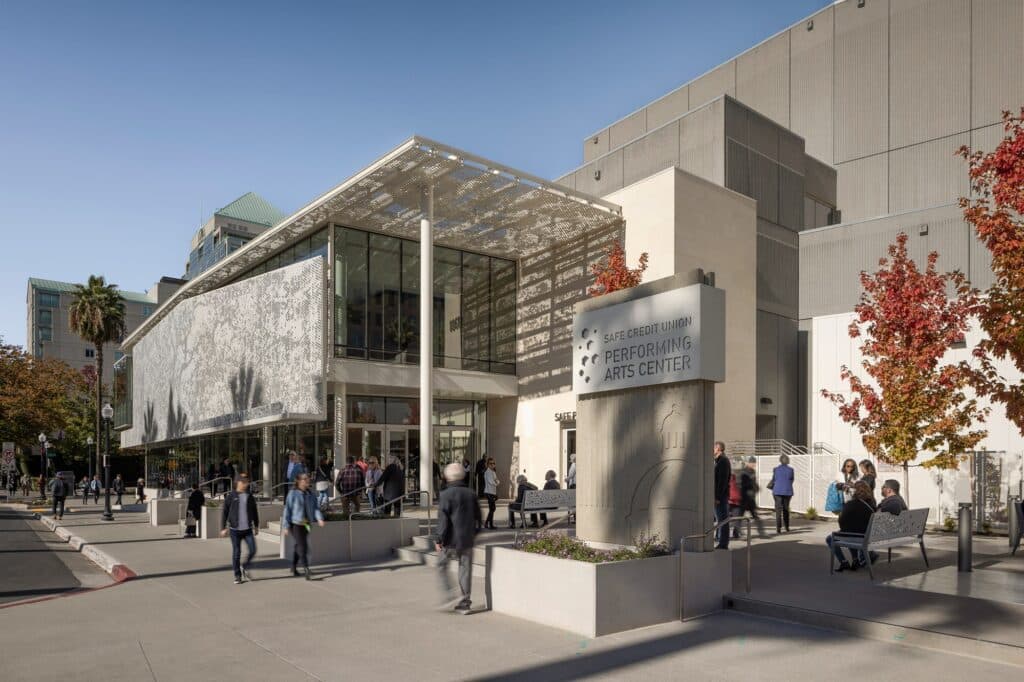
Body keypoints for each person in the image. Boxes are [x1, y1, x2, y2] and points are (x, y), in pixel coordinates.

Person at [435, 461, 481, 614]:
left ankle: (450, 594)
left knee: (442, 565)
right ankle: (465, 603)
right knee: (465, 569)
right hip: (467, 539)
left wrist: (439, 539)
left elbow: (443, 520)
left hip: (450, 540)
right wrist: (474, 534)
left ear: (448, 477)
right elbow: (479, 518)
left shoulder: (445, 494)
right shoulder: (471, 493)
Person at [282, 472, 326, 579]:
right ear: (299, 481)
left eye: (308, 479)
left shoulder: (310, 494)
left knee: (299, 545)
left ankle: (293, 566)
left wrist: (319, 518)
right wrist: (285, 525)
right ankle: (306, 568)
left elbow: (315, 508)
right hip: (295, 524)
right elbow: (287, 509)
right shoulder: (293, 494)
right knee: (303, 546)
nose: (308, 480)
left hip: (306, 524)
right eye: (305, 479)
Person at [826, 480, 877, 572]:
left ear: (855, 491)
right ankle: (855, 560)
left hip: (857, 536)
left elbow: (841, 522)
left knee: (830, 538)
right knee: (850, 531)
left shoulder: (850, 504)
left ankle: (844, 562)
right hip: (867, 534)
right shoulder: (872, 503)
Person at [220, 473, 260, 584]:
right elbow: (225, 512)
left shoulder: (249, 496)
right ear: (238, 483)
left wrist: (256, 526)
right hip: (234, 530)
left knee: (253, 550)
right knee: (237, 553)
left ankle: (245, 566)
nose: (246, 484)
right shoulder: (231, 496)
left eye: (247, 482)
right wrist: (223, 527)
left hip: (247, 529)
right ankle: (237, 576)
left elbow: (254, 511)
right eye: (244, 482)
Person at [735, 457, 766, 537]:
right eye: (752, 463)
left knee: (755, 516)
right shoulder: (743, 472)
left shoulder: (753, 471)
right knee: (740, 516)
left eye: (754, 463)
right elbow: (739, 484)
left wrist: (756, 487)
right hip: (744, 497)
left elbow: (753, 482)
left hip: (751, 498)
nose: (754, 464)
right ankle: (737, 532)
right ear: (748, 463)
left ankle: (761, 532)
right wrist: (749, 485)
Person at [769, 454, 795, 534]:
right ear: (787, 461)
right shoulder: (791, 470)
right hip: (787, 491)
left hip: (777, 491)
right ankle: (787, 527)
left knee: (778, 510)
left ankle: (778, 528)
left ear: (780, 460)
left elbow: (774, 479)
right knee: (786, 509)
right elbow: (792, 480)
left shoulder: (776, 469)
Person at [713, 441, 731, 549]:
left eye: (713, 448)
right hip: (718, 496)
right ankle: (721, 540)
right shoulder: (718, 460)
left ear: (718, 449)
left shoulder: (723, 461)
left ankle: (723, 543)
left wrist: (718, 497)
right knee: (720, 519)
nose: (712, 450)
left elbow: (722, 481)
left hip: (720, 496)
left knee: (722, 519)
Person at [482, 457, 498, 530]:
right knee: (492, 508)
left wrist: (496, 482)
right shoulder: (487, 472)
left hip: (492, 492)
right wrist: (496, 482)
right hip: (488, 492)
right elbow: (491, 482)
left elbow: (497, 480)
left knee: (492, 509)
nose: (492, 465)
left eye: (493, 463)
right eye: (491, 463)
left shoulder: (493, 472)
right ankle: (489, 524)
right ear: (488, 465)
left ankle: (487, 523)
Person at [728, 464, 742, 539]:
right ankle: (736, 533)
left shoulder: (726, 479)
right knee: (736, 519)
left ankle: (720, 535)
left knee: (723, 519)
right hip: (737, 502)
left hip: (728, 501)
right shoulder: (737, 480)